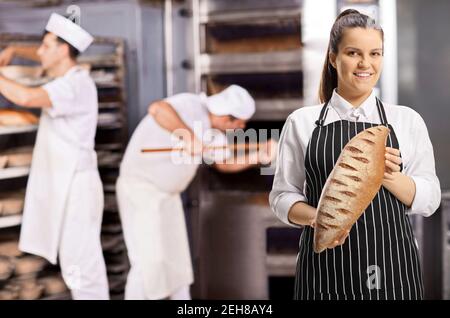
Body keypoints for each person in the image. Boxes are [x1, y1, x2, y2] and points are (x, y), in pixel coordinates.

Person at [269, 9, 440, 300]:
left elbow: (430, 198)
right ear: (334, 58)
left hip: (392, 271)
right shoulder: (303, 122)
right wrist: (319, 219)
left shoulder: (406, 120)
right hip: (324, 273)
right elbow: (282, 197)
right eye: (353, 53)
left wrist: (387, 175)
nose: (366, 63)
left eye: (375, 53)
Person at [117, 84, 276, 300]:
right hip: (142, 191)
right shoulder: (190, 105)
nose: (242, 127)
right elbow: (157, 109)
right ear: (226, 116)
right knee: (148, 262)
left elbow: (225, 163)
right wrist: (190, 137)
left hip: (168, 198)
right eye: (239, 122)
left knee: (177, 265)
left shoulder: (216, 134)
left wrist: (258, 156)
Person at [0, 13, 109, 299]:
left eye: (45, 46)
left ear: (62, 51)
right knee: (77, 264)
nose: (38, 52)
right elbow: (44, 58)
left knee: (81, 268)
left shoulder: (73, 86)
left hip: (77, 187)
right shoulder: (71, 75)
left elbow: (25, 98)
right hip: (69, 184)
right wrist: (13, 51)